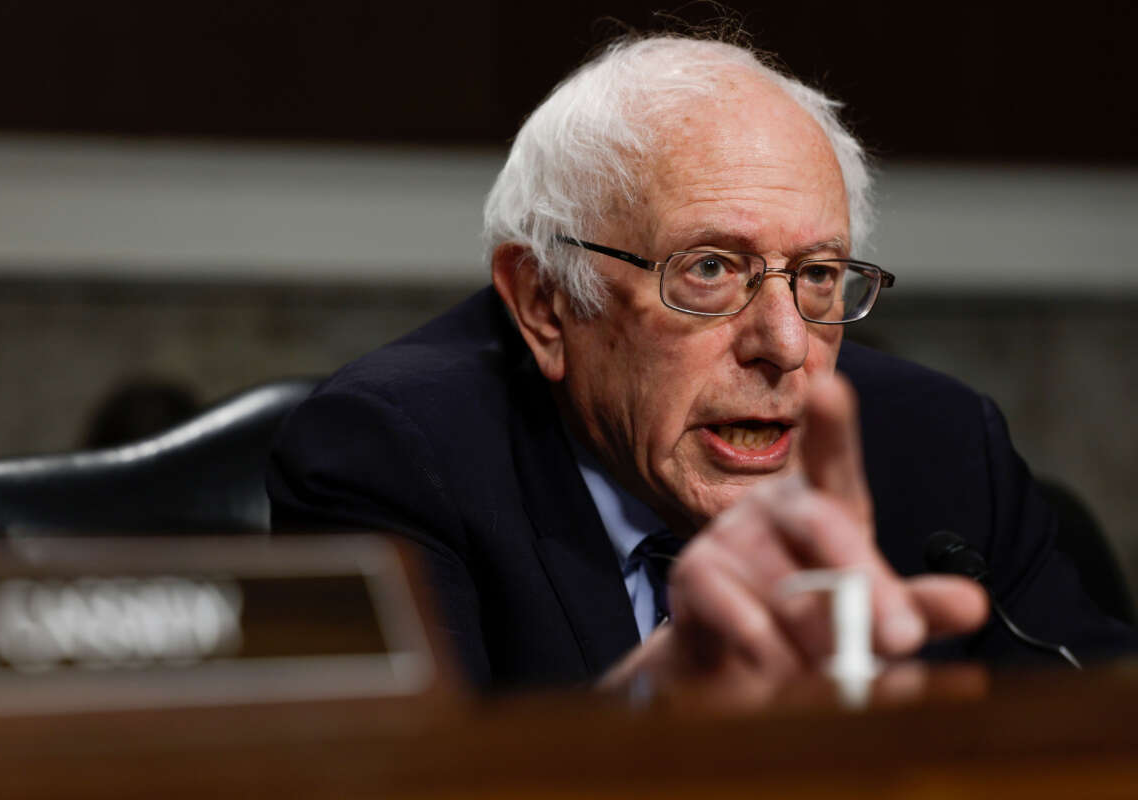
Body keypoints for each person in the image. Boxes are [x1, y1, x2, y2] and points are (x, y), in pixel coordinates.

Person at [268, 33, 1137, 691]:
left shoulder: (939, 443)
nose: (785, 345)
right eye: (711, 269)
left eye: (819, 276)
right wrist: (658, 722)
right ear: (544, 302)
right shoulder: (395, 454)